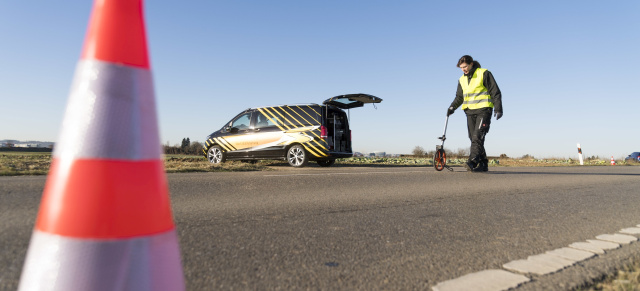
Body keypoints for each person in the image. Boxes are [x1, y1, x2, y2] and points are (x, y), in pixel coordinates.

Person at [446, 55, 503, 172]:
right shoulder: (462, 80)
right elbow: (459, 97)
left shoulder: (484, 73)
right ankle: (483, 164)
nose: (463, 69)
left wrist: (498, 108)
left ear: (471, 64)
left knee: (478, 136)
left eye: (465, 66)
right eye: (461, 68)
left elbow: (495, 91)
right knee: (473, 138)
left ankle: (472, 161)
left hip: (484, 109)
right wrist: (452, 107)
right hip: (470, 112)